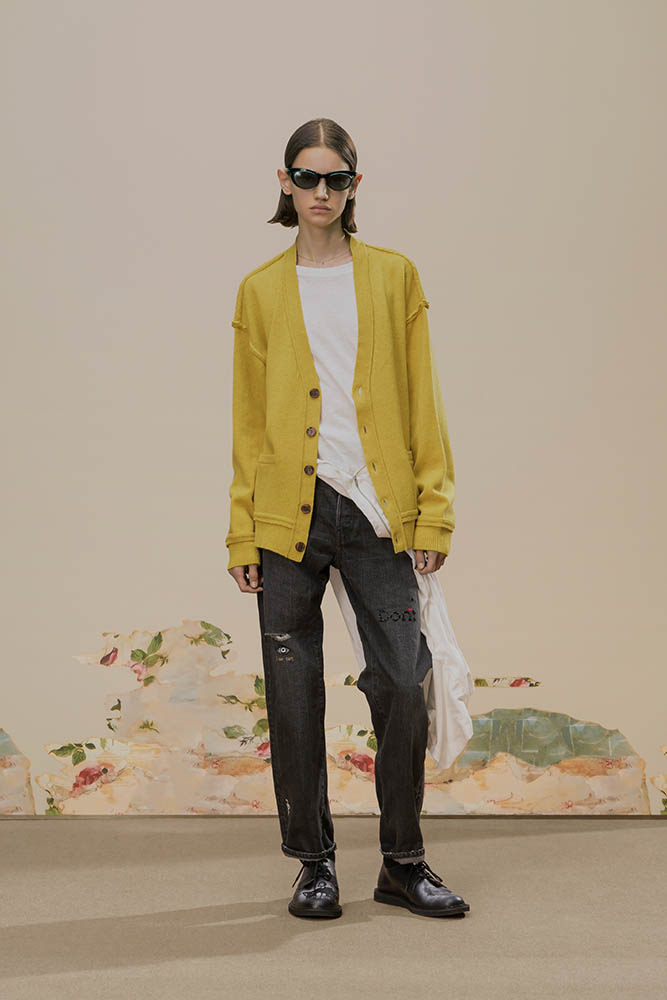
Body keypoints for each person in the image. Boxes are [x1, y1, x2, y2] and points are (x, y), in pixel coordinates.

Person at [226, 118, 470, 920]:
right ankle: (313, 865)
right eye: (307, 176)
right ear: (285, 182)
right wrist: (242, 528)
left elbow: (424, 398)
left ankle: (402, 861)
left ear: (354, 186)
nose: (320, 191)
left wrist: (432, 511)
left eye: (336, 178)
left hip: (375, 511)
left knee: (400, 680)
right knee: (293, 694)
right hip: (285, 515)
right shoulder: (259, 290)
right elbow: (249, 421)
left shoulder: (393, 276)